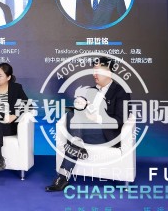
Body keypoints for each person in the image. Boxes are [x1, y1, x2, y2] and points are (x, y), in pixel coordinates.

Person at [46, 57, 131, 192]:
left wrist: (97, 118)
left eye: (98, 71)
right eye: (93, 70)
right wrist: (81, 107)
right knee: (71, 114)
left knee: (73, 139)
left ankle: (62, 177)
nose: (94, 74)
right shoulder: (90, 90)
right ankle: (77, 146)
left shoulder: (121, 92)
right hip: (86, 131)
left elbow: (120, 120)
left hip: (106, 135)